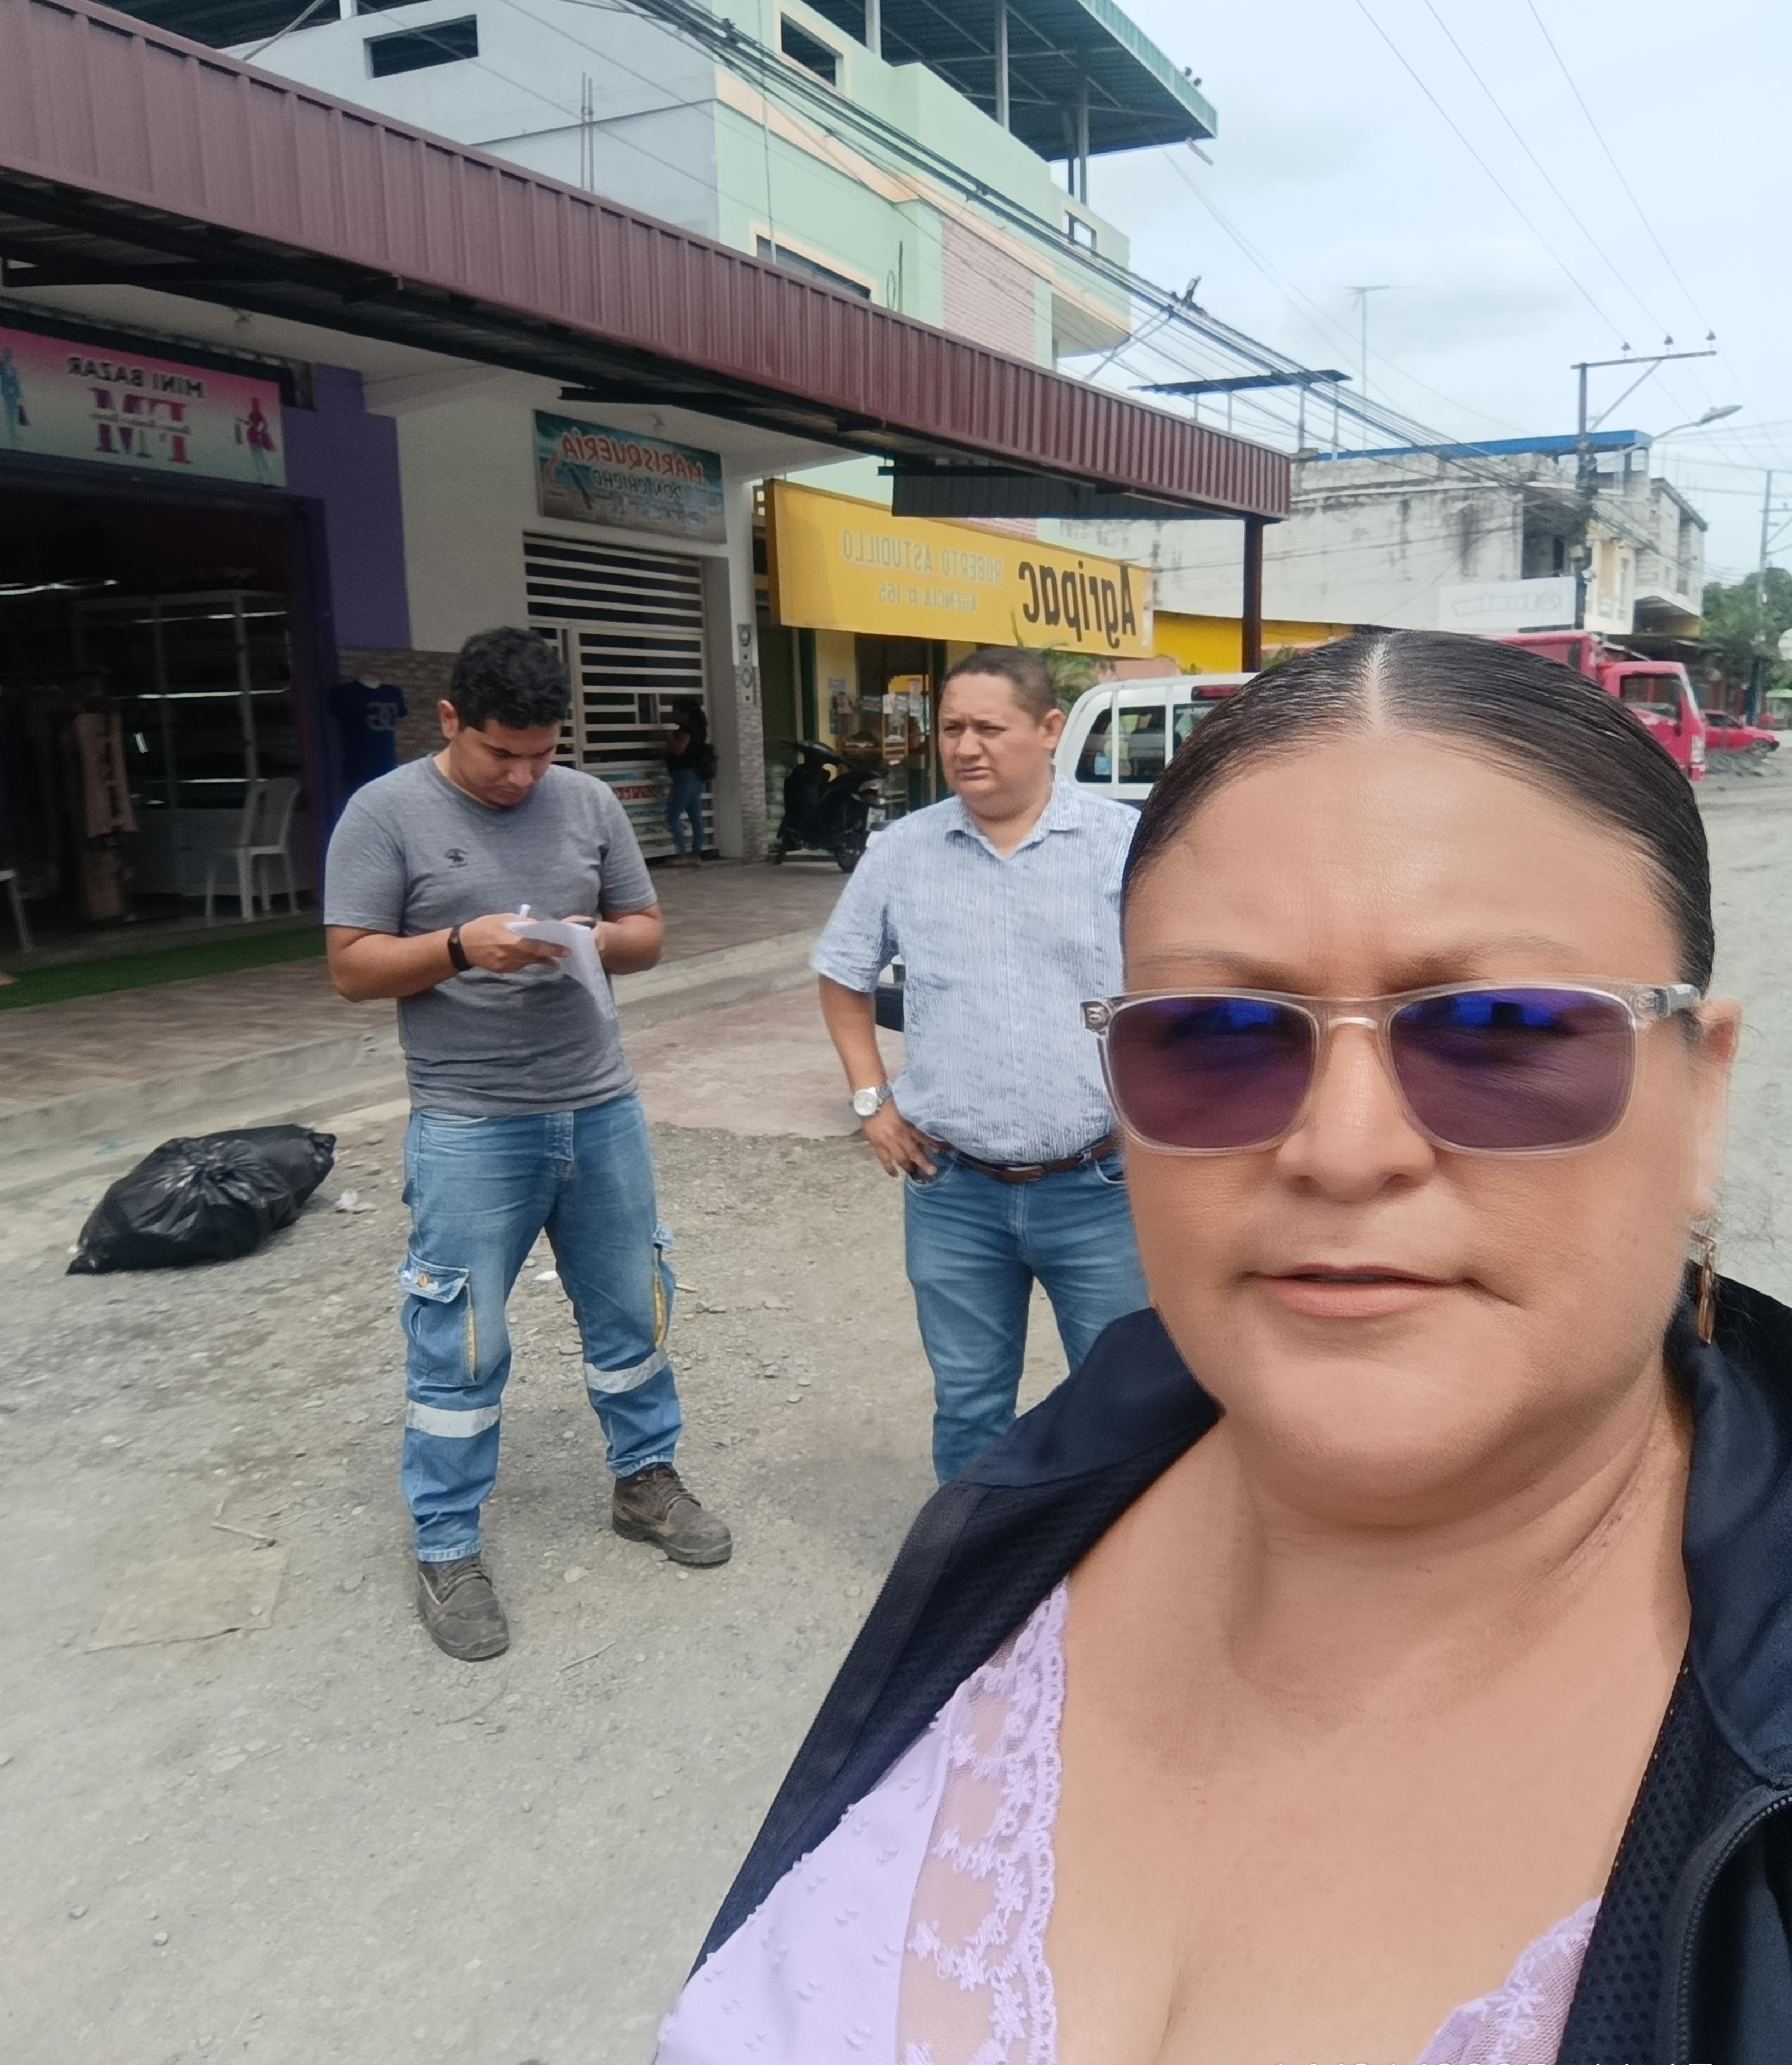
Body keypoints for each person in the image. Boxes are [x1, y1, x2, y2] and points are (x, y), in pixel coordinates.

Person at [657, 630, 1792, 2064]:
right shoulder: (1038, 1492)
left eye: (1498, 1031)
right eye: (1216, 1035)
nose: (1343, 1149)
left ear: (1699, 1097)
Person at [324, 627, 730, 1665]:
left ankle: (644, 1481)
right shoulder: (384, 814)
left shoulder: (587, 803)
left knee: (632, 1303)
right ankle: (447, 1544)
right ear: (450, 719)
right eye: (500, 754)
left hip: (599, 1105)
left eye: (542, 754)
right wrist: (461, 946)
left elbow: (647, 931)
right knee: (460, 1336)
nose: (521, 777)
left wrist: (591, 940)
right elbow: (353, 968)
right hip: (468, 1120)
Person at [813, 645, 1148, 1483]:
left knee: (1119, 1401)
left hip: (1100, 1189)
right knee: (968, 1403)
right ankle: (972, 1553)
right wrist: (871, 1102)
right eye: (951, 728)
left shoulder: (1122, 845)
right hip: (952, 1192)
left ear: (1048, 729)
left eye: (989, 729)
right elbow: (841, 977)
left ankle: (1106, 1556)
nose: (965, 747)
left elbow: (1184, 987)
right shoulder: (904, 850)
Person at [663, 697, 712, 867]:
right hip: (694, 777)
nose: (672, 715)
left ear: (684, 714)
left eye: (675, 711)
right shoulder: (699, 729)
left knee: (672, 816)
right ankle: (696, 854)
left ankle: (683, 854)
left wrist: (669, 737)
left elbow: (679, 750)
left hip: (685, 778)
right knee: (695, 817)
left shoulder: (686, 730)